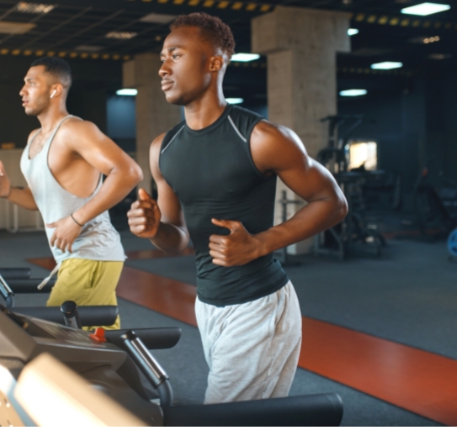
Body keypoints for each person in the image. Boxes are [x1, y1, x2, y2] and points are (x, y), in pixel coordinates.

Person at [127, 13, 348, 403]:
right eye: (162, 56)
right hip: (208, 305)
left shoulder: (262, 138)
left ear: (215, 62)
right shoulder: (163, 149)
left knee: (224, 417)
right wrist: (154, 229)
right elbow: (178, 242)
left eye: (175, 56)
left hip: (258, 307)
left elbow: (333, 202)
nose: (162, 68)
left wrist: (261, 243)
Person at [0, 57, 142, 329]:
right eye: (23, 84)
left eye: (31, 83)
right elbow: (40, 200)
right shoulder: (33, 138)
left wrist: (76, 220)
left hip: (91, 253)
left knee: (51, 332)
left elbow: (128, 172)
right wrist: (8, 192)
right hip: (77, 258)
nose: (22, 91)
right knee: (99, 336)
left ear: (55, 90)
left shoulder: (75, 130)